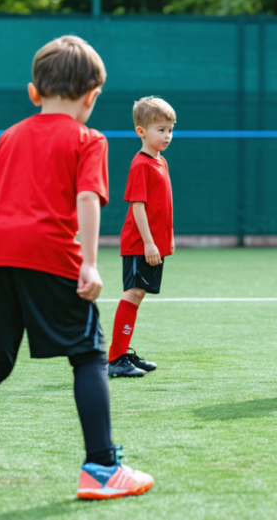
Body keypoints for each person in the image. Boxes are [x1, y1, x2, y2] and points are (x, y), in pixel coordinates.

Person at [0, 35, 153, 500]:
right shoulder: (90, 139)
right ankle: (101, 467)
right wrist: (89, 263)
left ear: (34, 93)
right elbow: (88, 197)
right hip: (51, 256)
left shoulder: (10, 135)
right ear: (93, 97)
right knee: (90, 356)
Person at [108, 97, 176, 378]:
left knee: (139, 294)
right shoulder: (141, 164)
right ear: (141, 131)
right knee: (133, 293)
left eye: (170, 129)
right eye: (161, 129)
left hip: (154, 245)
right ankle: (116, 359)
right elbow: (138, 207)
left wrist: (164, 240)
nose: (167, 136)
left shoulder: (161, 161)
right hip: (139, 244)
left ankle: (122, 355)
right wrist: (148, 242)